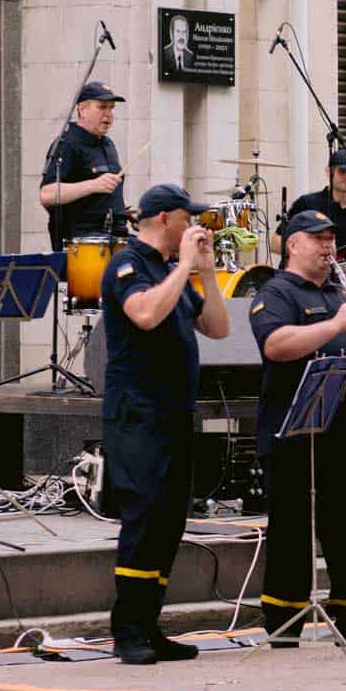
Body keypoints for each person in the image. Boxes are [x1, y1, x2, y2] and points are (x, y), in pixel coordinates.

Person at [251, 209, 346, 647]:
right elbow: (276, 345)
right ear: (293, 244)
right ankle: (284, 622)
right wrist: (335, 323)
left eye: (331, 238)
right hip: (294, 429)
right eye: (317, 239)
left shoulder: (340, 290)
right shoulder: (276, 291)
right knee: (292, 528)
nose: (328, 246)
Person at [99, 184, 230, 663]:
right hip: (138, 413)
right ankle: (127, 630)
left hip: (176, 412)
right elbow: (146, 315)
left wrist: (208, 275)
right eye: (187, 218)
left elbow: (217, 328)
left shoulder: (169, 271)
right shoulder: (127, 264)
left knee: (170, 521)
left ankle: (150, 625)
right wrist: (182, 268)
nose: (195, 227)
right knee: (144, 517)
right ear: (163, 219)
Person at [38, 82, 127, 250]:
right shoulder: (66, 144)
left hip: (116, 236)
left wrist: (124, 213)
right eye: (102, 107)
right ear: (82, 109)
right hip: (84, 243)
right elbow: (47, 194)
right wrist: (93, 185)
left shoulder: (108, 144)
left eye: (111, 108)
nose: (109, 114)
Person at [281, 148, 346, 262]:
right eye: (342, 171)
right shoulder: (308, 203)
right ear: (328, 171)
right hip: (315, 276)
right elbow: (277, 242)